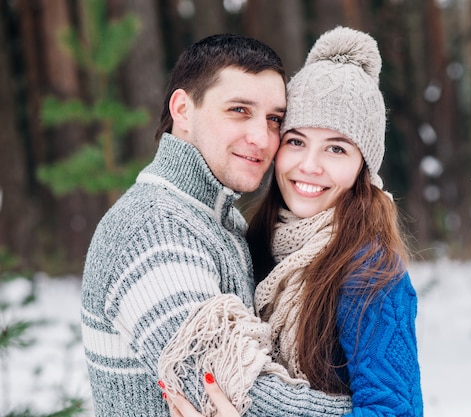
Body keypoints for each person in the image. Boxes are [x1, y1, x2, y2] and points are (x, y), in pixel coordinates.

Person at [80, 33, 353, 417]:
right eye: (239, 110)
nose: (262, 138)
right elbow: (240, 392)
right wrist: (377, 410)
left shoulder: (218, 221)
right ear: (183, 110)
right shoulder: (151, 229)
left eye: (274, 119)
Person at [158, 27, 424, 417]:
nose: (309, 166)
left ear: (362, 168)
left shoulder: (370, 272)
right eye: (296, 141)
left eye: (336, 148)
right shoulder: (255, 243)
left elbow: (395, 412)